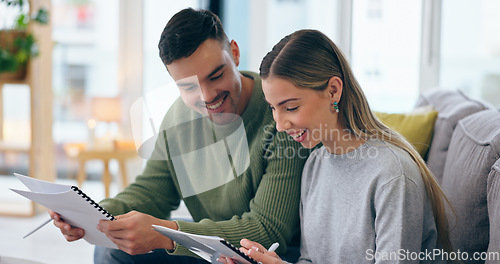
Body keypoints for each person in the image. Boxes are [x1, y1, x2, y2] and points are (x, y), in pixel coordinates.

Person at [48, 8, 310, 263]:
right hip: (211, 250)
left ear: (235, 52)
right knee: (112, 250)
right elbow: (151, 193)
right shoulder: (178, 118)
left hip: (268, 255)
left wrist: (168, 236)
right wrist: (91, 214)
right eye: (188, 87)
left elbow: (267, 230)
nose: (207, 96)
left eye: (216, 76)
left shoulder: (279, 116)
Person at [219, 29, 453, 264]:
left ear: (333, 90)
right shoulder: (315, 165)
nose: (279, 125)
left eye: (290, 108)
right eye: (273, 108)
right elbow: (310, 260)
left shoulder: (392, 175)